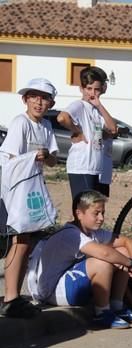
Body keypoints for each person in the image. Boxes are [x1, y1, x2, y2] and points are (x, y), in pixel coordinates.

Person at [28, 190, 132, 329]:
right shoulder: (71, 234)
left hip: (70, 283)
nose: (101, 218)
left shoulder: (92, 232)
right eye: (96, 213)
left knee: (122, 253)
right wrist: (130, 264)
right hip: (52, 292)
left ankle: (117, 306)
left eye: (103, 213)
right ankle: (102, 312)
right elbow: (104, 254)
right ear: (79, 214)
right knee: (102, 263)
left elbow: (126, 242)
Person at [0, 78, 59, 318]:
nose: (39, 102)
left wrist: (44, 156)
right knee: (19, 240)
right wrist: (33, 156)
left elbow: (54, 158)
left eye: (44, 98)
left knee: (27, 240)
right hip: (15, 188)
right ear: (25, 99)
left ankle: (14, 296)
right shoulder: (20, 123)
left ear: (50, 103)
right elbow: (11, 159)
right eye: (34, 96)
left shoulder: (45, 126)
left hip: (31, 187)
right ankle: (11, 297)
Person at [57, 66, 117, 200]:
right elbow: (62, 118)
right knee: (85, 209)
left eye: (96, 89)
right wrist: (77, 131)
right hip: (82, 166)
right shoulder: (79, 105)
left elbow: (113, 129)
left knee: (95, 208)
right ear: (82, 89)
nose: (92, 93)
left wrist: (99, 105)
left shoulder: (96, 110)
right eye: (89, 89)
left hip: (96, 167)